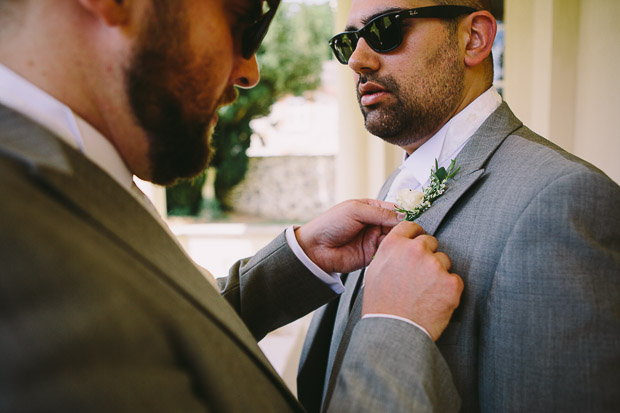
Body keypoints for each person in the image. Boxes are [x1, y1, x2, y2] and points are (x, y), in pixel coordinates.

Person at [0, 0, 465, 411]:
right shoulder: (18, 253)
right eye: (243, 21)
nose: (250, 71)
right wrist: (393, 332)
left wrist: (303, 256)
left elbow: (149, 334)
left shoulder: (70, 170)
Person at [298, 0, 620, 412]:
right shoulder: (396, 185)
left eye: (385, 29)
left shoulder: (561, 201)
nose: (358, 60)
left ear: (474, 38)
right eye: (348, 42)